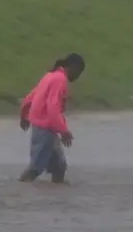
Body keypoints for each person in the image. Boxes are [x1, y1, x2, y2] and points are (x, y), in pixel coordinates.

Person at [18, 53, 85, 183]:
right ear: (73, 67)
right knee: (35, 168)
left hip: (48, 128)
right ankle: (19, 192)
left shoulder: (50, 76)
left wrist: (23, 115)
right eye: (79, 72)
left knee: (59, 167)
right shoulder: (60, 79)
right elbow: (52, 108)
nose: (78, 77)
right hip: (45, 129)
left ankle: (56, 197)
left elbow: (30, 97)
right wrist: (64, 130)